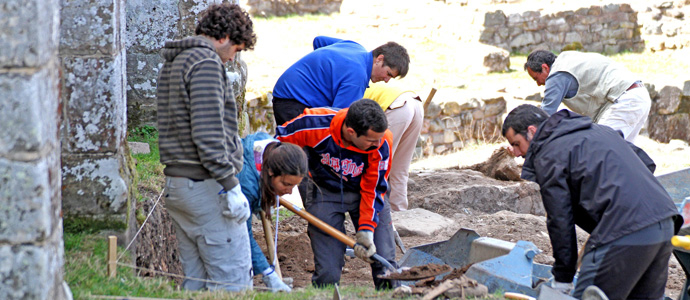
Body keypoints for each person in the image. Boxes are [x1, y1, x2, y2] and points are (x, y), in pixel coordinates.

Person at [502, 104, 682, 299]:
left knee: (587, 294)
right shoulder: (599, 130)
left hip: (626, 227)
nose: (516, 152)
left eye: (516, 143)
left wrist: (563, 278)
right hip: (665, 223)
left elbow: (560, 219)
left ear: (531, 131)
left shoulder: (549, 154)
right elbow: (646, 162)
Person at [156, 3, 257, 291]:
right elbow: (208, 132)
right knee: (233, 285)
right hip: (206, 185)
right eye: (236, 49)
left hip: (179, 185)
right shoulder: (206, 63)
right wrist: (230, 185)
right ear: (224, 37)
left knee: (197, 284)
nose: (231, 58)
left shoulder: (175, 61)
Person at [274, 99, 398, 289]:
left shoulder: (382, 142)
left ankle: (391, 294)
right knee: (328, 272)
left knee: (384, 261)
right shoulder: (314, 124)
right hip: (323, 192)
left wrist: (366, 229)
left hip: (365, 195)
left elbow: (374, 188)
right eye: (372, 140)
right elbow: (277, 145)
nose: (378, 143)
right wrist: (273, 182)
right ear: (351, 132)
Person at [271, 36, 410, 125]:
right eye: (388, 74)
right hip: (292, 103)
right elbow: (337, 119)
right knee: (303, 158)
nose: (386, 80)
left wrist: (323, 74)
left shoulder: (355, 47)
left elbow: (319, 40)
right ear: (379, 59)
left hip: (285, 92)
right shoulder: (357, 78)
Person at [523, 50, 651, 142]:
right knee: (623, 155)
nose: (539, 84)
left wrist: (524, 137)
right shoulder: (568, 59)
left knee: (598, 148)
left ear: (545, 68)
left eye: (536, 78)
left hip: (624, 100)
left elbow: (546, 114)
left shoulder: (557, 74)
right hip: (638, 95)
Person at [237, 132, 307, 293]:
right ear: (270, 172)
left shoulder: (271, 149)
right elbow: (242, 235)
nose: (290, 192)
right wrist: (268, 273)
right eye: (285, 184)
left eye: (294, 186)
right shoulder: (246, 183)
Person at [363, 83, 424, 211]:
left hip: (397, 107)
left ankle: (376, 213)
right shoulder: (362, 82)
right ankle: (399, 212)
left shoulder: (348, 90)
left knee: (378, 164)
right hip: (415, 102)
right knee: (400, 168)